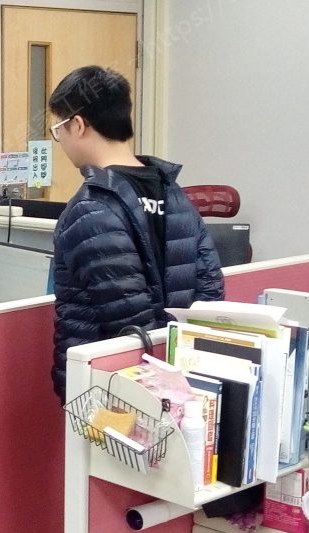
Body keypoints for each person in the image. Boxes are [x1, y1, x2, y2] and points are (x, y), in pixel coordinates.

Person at [48, 65, 225, 405]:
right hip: (182, 381)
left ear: (78, 125)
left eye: (60, 130)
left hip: (110, 391)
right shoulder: (175, 195)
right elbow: (209, 294)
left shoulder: (90, 209)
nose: (61, 142)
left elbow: (129, 326)